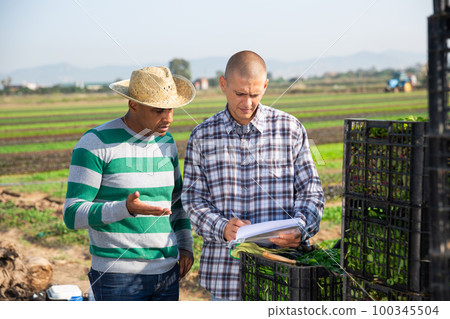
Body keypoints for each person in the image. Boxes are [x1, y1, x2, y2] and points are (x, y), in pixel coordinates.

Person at [181, 51, 324, 301]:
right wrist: (222, 227)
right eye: (240, 94)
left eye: (255, 94)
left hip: (284, 273)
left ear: (265, 86)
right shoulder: (202, 136)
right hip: (227, 277)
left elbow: (310, 192)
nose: (247, 103)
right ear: (223, 85)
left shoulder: (290, 130)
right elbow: (193, 200)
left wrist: (301, 228)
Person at [63, 66, 196, 301]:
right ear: (133, 104)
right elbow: (72, 215)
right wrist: (125, 208)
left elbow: (177, 201)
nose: (169, 118)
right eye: (158, 110)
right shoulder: (95, 143)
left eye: (171, 109)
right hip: (117, 278)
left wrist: (185, 246)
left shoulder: (166, 142)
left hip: (167, 275)